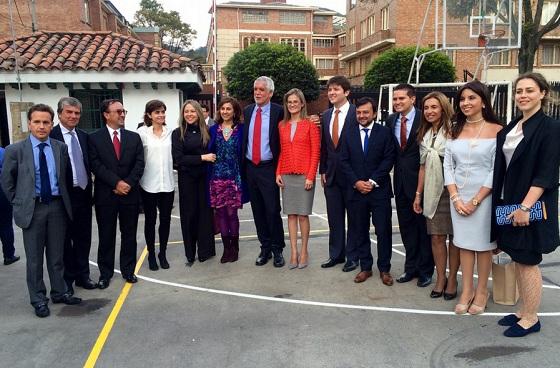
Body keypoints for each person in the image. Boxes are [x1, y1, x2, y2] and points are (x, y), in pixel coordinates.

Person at [492, 73, 560, 337]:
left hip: (530, 206)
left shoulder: (551, 128)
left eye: (529, 90)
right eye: (519, 91)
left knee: (528, 260)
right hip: (509, 203)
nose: (522, 95)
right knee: (518, 258)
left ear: (542, 93)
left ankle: (531, 318)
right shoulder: (513, 126)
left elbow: (545, 173)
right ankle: (522, 309)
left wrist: (525, 207)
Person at [1, 104, 81, 317]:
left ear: (52, 124)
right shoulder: (15, 151)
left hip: (56, 207)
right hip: (33, 209)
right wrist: (20, 203)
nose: (42, 126)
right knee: (35, 259)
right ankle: (38, 298)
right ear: (29, 123)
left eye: (46, 122)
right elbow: (7, 182)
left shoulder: (59, 148)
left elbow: (64, 178)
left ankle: (59, 292)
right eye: (37, 122)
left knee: (57, 255)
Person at [443, 80, 503, 315]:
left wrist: (476, 200)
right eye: (463, 99)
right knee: (464, 245)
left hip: (484, 198)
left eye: (472, 98)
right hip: (457, 196)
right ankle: (466, 291)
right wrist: (456, 197)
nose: (466, 103)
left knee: (483, 246)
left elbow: (495, 170)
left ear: (483, 101)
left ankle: (481, 291)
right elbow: (448, 165)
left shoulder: (497, 130)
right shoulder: (454, 129)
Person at [340, 97, 396, 285]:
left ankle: (384, 269)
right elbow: (343, 161)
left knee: (383, 231)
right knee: (359, 231)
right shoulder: (348, 134)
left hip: (379, 191)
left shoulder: (385, 133)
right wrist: (356, 182)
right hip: (356, 192)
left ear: (374, 113)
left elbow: (388, 159)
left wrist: (371, 181)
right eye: (359, 112)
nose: (362, 116)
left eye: (366, 112)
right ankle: (365, 268)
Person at [89, 99, 145, 289]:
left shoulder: (133, 137)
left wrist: (127, 183)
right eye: (118, 111)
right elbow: (95, 164)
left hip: (129, 194)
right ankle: (105, 273)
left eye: (124, 111)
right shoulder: (94, 138)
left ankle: (128, 270)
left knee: (129, 234)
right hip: (106, 195)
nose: (122, 115)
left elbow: (139, 164)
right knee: (106, 235)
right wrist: (116, 182)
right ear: (106, 114)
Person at [413, 92, 460, 300]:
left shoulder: (455, 130)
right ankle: (440, 278)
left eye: (434, 107)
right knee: (437, 237)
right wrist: (418, 195)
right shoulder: (424, 133)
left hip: (455, 190)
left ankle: (452, 279)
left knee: (455, 238)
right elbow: (423, 166)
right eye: (427, 108)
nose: (430, 111)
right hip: (433, 192)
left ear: (443, 108)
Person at [385, 84, 433, 287]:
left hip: (422, 183)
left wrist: (420, 191)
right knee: (406, 228)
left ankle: (426, 270)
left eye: (401, 98)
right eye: (395, 99)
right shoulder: (391, 120)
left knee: (423, 229)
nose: (397, 102)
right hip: (401, 184)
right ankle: (410, 267)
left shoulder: (426, 118)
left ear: (413, 99)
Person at [50, 97, 96, 294]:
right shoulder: (51, 137)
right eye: (69, 112)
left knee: (83, 237)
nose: (73, 116)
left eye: (77, 113)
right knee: (64, 241)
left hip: (83, 194)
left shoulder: (84, 136)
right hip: (63, 197)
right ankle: (67, 280)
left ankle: (82, 276)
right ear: (60, 113)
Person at [242, 76, 286, 267]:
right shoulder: (248, 110)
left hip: (269, 167)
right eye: (255, 89)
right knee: (257, 210)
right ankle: (265, 247)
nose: (257, 93)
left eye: (261, 90)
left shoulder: (279, 112)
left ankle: (278, 249)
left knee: (272, 210)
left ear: (270, 93)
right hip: (251, 167)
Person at [275, 88, 320, 269]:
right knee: (291, 215)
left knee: (302, 215)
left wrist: (311, 176)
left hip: (304, 176)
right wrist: (278, 172)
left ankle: (304, 251)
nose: (292, 104)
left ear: (302, 103)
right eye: (289, 102)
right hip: (286, 174)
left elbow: (316, 151)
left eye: (295, 101)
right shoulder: (282, 125)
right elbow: (281, 151)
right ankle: (293, 251)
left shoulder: (310, 124)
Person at [172, 100, 216, 266]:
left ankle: (205, 250)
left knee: (205, 216)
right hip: (187, 180)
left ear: (199, 112)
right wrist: (202, 158)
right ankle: (190, 252)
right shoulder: (178, 133)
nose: (189, 114)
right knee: (189, 216)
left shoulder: (208, 131)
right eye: (186, 112)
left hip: (205, 178)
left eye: (192, 111)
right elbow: (179, 159)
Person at [319, 75, 357, 271]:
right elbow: (324, 147)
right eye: (330, 89)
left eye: (336, 89)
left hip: (352, 176)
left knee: (354, 218)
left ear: (347, 92)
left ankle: (353, 256)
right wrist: (322, 170)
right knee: (334, 218)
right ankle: (336, 254)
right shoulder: (325, 116)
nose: (332, 93)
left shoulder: (356, 114)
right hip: (331, 176)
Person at [208, 97, 248, 263]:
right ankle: (226, 249)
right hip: (217, 178)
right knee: (221, 214)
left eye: (228, 109)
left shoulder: (241, 129)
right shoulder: (212, 129)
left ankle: (235, 247)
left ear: (235, 111)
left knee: (232, 214)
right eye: (222, 109)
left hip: (234, 178)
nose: (225, 111)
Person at [137, 100, 174, 271]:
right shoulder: (141, 133)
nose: (160, 115)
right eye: (157, 112)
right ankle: (151, 254)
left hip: (167, 184)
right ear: (149, 115)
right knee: (150, 222)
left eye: (162, 112)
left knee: (165, 221)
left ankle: (163, 253)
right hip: (148, 184)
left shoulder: (171, 133)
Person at [0, 146, 19, 266]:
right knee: (6, 225)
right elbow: (10, 171)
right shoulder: (2, 152)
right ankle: (9, 255)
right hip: (2, 191)